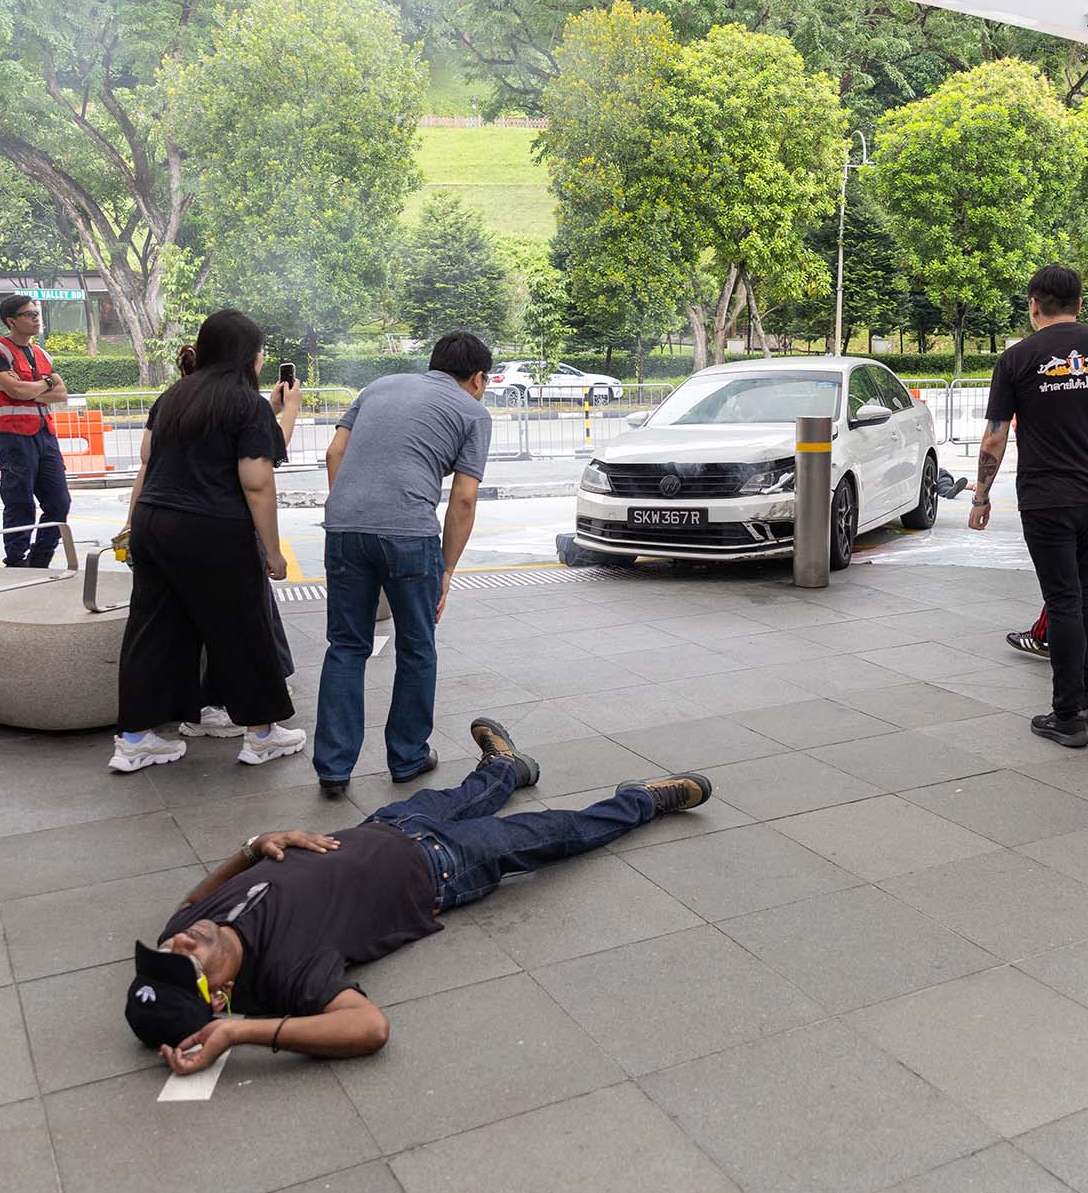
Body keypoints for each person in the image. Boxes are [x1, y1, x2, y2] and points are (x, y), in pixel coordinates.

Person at [126, 717, 712, 1071]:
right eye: (185, 962)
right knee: (559, 831)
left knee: (467, 791)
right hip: (442, 868)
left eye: (167, 950)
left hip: (384, 827)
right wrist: (239, 1033)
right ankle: (642, 801)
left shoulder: (189, 926)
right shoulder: (285, 976)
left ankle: (507, 767)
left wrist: (255, 848)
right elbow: (368, 1028)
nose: (179, 941)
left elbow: (185, 905)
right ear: (222, 997)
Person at [109, 310, 306, 771]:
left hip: (154, 526)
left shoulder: (176, 394)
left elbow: (152, 460)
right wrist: (272, 551)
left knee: (151, 631)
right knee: (244, 629)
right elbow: (256, 482)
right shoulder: (245, 402)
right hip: (211, 529)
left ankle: (135, 738)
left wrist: (131, 523)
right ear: (250, 356)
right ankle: (262, 734)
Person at [315, 332, 493, 798]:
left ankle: (334, 768)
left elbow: (335, 453)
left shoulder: (378, 387)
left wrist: (351, 510)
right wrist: (447, 570)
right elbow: (465, 499)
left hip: (343, 527)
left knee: (346, 646)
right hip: (410, 536)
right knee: (416, 647)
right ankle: (408, 757)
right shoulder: (473, 411)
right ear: (477, 378)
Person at [971, 265, 1088, 748]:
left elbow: (996, 435)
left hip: (1046, 498)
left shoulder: (1017, 357)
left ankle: (1066, 716)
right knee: (1081, 592)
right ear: (1081, 305)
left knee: (1064, 598)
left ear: (1034, 305)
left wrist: (982, 495)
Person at [0, 295, 71, 569]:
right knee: (19, 502)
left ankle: (40, 559)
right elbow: (14, 390)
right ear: (11, 321)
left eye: (36, 313)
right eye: (29, 314)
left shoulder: (42, 354)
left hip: (45, 435)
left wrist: (33, 389)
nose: (36, 318)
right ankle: (16, 562)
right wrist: (45, 385)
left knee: (59, 501)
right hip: (13, 435)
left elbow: (61, 393)